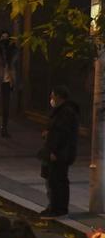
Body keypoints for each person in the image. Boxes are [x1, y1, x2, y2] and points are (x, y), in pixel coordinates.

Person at [40, 85, 79, 217]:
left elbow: (62, 134)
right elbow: (55, 130)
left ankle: (58, 208)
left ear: (58, 96)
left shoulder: (66, 112)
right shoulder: (60, 111)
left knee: (58, 181)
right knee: (53, 180)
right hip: (57, 151)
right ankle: (53, 206)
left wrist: (54, 152)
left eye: (52, 95)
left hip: (60, 154)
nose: (51, 98)